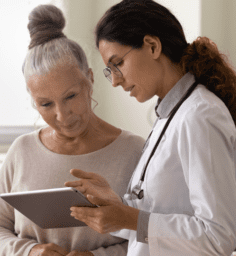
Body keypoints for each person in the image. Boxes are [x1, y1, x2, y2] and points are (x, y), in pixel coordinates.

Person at [65, 0, 236, 255]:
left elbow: (217, 237)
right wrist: (116, 206)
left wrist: (130, 218)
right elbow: (159, 217)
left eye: (118, 63)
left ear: (153, 46)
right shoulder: (170, 114)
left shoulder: (201, 116)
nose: (115, 82)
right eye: (109, 71)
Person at [0, 4, 145, 256]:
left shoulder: (135, 151)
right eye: (45, 104)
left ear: (89, 78)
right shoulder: (20, 152)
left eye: (71, 96)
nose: (62, 115)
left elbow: (151, 236)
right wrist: (30, 252)